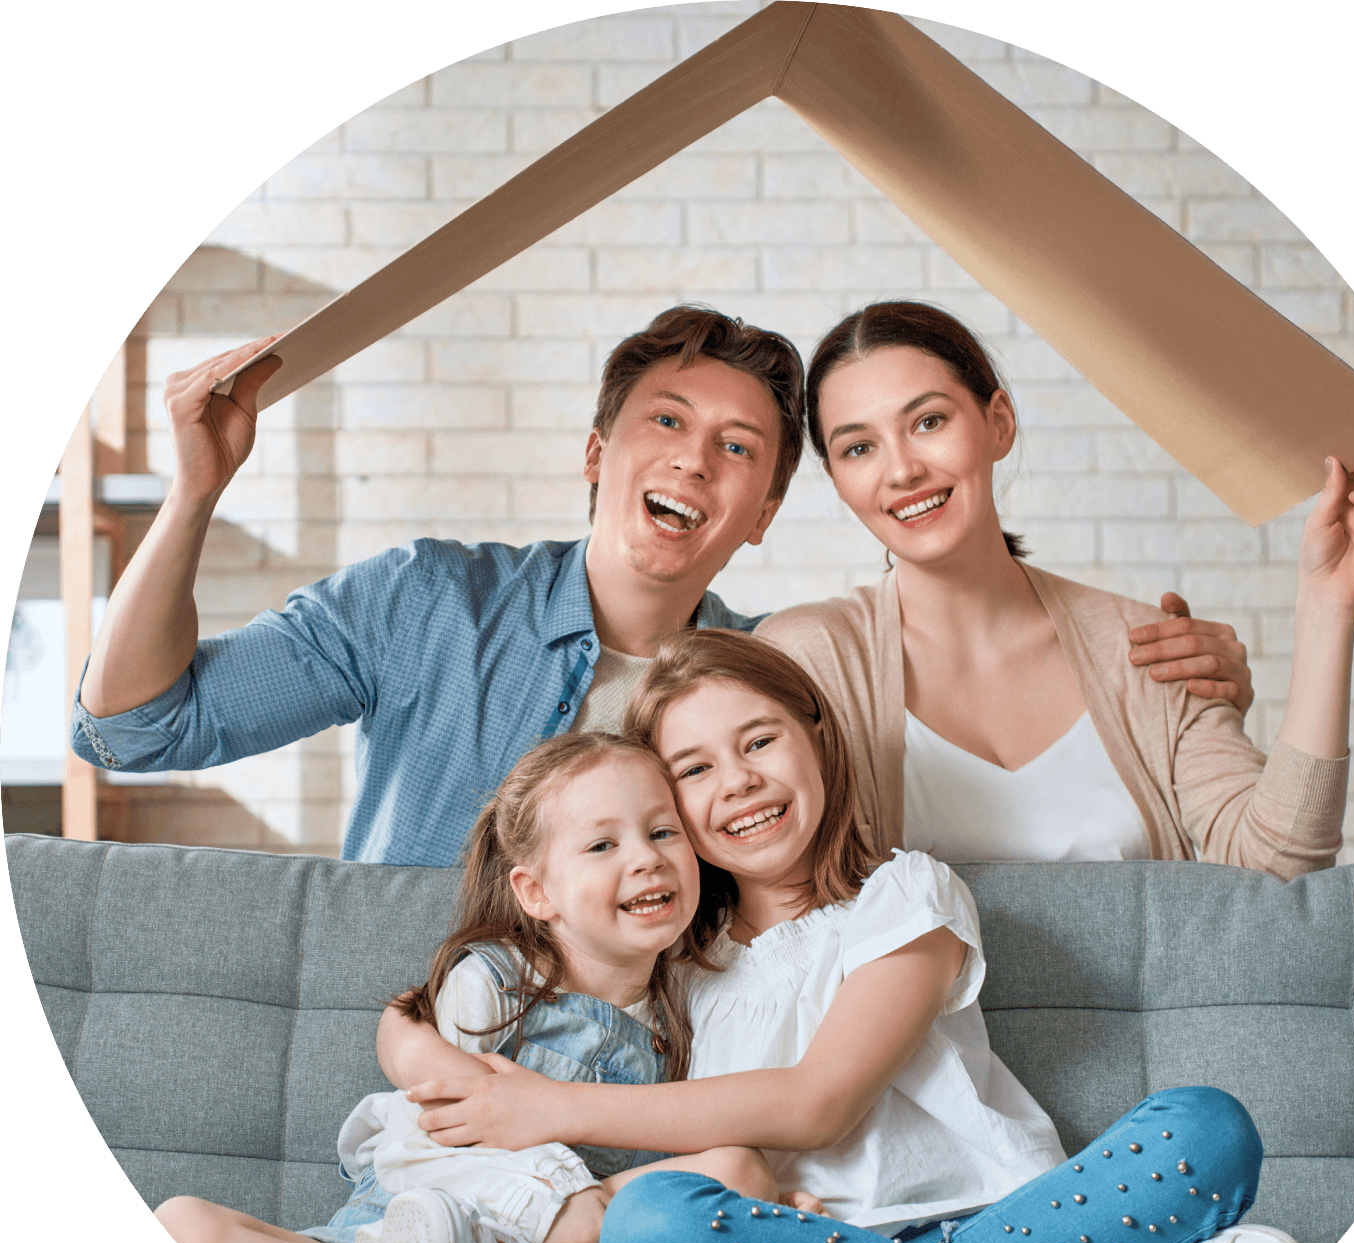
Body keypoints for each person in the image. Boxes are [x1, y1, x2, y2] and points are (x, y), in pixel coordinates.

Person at [405, 632, 1308, 1243]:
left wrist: (548, 1107)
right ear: (666, 807)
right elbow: (423, 1014)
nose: (740, 782)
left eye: (759, 741)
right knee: (649, 1226)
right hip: (795, 1240)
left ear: (818, 739)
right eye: (694, 770)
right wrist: (435, 1059)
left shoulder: (907, 899)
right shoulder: (671, 961)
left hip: (990, 1217)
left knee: (1206, 1128)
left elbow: (818, 1104)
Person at [68, 305, 1251, 867]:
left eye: (740, 447)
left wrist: (1187, 690)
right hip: (426, 1051)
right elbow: (129, 728)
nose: (694, 458)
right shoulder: (424, 602)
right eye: (666, 423)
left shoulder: (770, 682)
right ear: (598, 455)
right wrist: (194, 494)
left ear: (766, 511)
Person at [156, 731, 812, 1243]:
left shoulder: (694, 1002)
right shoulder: (495, 985)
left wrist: (776, 1214)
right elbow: (427, 1139)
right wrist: (557, 1198)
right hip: (416, 1233)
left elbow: (679, 1175)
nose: (645, 859)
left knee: (741, 1170)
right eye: (603, 845)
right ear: (537, 893)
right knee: (185, 1228)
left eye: (664, 833)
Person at [754, 301, 1354, 873]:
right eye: (858, 448)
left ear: (999, 423)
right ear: (837, 479)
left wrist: (1328, 606)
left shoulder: (1147, 649)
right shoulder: (806, 660)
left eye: (928, 422)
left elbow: (1281, 861)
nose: (901, 469)